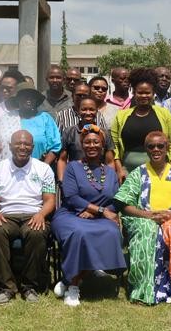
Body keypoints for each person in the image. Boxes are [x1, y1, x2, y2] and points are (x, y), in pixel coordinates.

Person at [50, 126, 127, 306]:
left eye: (96, 142)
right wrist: (98, 210)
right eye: (87, 142)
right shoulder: (72, 167)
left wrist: (96, 212)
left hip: (99, 217)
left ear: (102, 145)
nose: (91, 145)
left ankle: (70, 278)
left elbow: (115, 199)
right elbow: (71, 197)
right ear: (82, 145)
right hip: (71, 214)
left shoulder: (109, 172)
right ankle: (73, 287)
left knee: (112, 232)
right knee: (80, 234)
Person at [114, 131, 171, 304]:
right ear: (146, 149)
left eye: (160, 146)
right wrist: (148, 215)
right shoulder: (138, 174)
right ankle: (143, 290)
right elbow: (124, 204)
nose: (156, 149)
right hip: (143, 218)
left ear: (167, 148)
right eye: (151, 146)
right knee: (147, 229)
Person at [0, 130, 57, 304]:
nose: (22, 147)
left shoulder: (43, 169)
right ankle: (6, 287)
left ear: (32, 147)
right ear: (10, 146)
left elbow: (49, 200)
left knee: (36, 233)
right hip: (6, 215)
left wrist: (41, 214)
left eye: (26, 144)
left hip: (34, 213)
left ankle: (29, 286)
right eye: (18, 143)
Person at [110, 68, 171, 181]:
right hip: (128, 171)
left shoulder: (164, 114)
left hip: (159, 171)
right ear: (133, 92)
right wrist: (119, 169)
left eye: (147, 93)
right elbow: (114, 144)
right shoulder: (121, 116)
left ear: (153, 93)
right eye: (140, 92)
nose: (144, 96)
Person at [0, 84, 61, 168]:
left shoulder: (45, 118)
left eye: (32, 96)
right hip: (9, 171)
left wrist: (43, 167)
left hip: (38, 170)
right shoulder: (6, 118)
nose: (29, 99)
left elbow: (55, 146)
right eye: (25, 96)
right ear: (17, 99)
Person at [56, 96, 114, 183]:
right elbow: (62, 159)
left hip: (99, 178)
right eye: (84, 109)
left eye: (91, 109)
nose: (88, 112)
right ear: (78, 111)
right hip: (75, 178)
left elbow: (109, 161)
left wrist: (110, 181)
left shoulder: (104, 133)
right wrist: (62, 180)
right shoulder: (69, 132)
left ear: (97, 111)